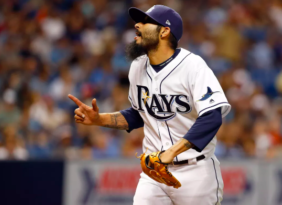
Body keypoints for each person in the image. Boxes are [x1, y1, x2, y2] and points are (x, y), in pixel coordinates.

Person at [69, 5, 231, 205]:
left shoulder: (193, 66)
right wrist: (99, 119)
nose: (137, 25)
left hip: (194, 171)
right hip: (153, 174)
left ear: (164, 31)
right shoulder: (137, 67)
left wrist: (171, 152)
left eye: (145, 22)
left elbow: (212, 117)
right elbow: (139, 114)